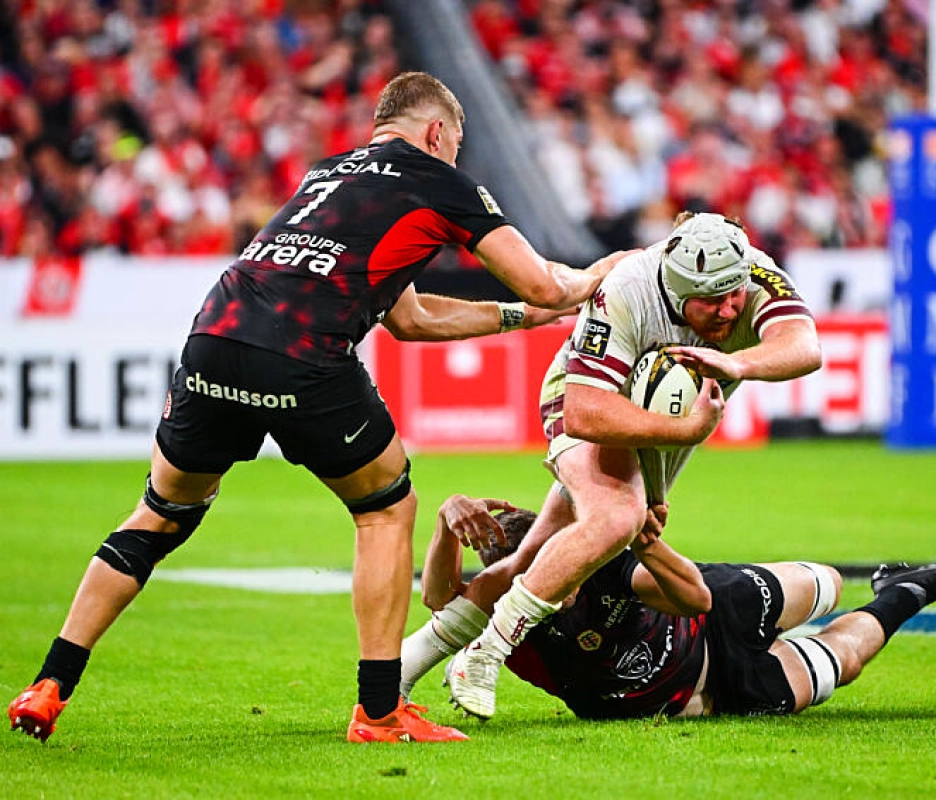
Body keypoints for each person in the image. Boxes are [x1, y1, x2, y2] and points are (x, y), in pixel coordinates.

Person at [7, 71, 624, 744]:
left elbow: (411, 320)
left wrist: (519, 318)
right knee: (386, 508)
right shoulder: (439, 180)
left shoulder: (330, 175)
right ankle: (379, 711)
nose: (453, 155)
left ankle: (50, 684)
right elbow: (541, 278)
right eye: (456, 143)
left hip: (213, 337)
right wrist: (592, 281)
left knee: (159, 515)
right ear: (438, 132)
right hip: (302, 354)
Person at [441, 211, 824, 719]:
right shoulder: (628, 289)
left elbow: (806, 346)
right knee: (617, 517)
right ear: (679, 288)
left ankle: (397, 673)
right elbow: (583, 411)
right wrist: (686, 432)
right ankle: (487, 652)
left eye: (736, 294)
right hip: (584, 401)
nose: (731, 308)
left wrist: (739, 363)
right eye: (713, 300)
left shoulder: (750, 271)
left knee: (532, 556)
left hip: (655, 419)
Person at [407, 495, 936, 719]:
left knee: (827, 583)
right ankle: (912, 590)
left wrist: (646, 542)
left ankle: (890, 580)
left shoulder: (602, 565)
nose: (553, 587)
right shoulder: (504, 622)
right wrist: (444, 526)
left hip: (714, 612)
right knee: (844, 658)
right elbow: (438, 600)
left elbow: (695, 595)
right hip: (712, 692)